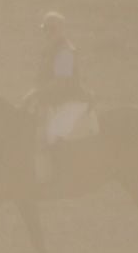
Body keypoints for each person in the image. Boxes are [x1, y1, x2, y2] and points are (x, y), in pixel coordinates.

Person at [26, 12, 92, 183]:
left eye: (50, 30)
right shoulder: (50, 50)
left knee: (51, 135)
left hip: (70, 101)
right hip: (54, 100)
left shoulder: (65, 52)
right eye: (45, 30)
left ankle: (57, 177)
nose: (47, 34)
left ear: (59, 31)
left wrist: (37, 92)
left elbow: (62, 83)